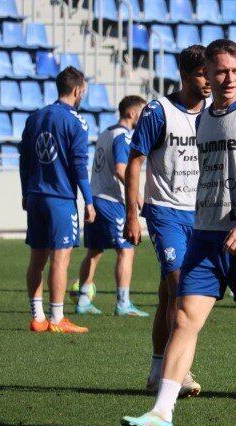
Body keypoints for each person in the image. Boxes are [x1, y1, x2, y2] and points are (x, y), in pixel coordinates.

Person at [121, 39, 236, 426]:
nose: (227, 79)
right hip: (206, 236)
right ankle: (162, 414)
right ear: (208, 75)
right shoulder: (202, 119)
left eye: (234, 71)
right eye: (220, 72)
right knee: (184, 317)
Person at [124, 45, 211, 397]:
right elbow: (134, 163)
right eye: (202, 75)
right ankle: (182, 371)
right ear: (185, 75)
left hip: (203, 215)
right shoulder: (158, 112)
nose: (209, 82)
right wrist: (133, 214)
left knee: (166, 297)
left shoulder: (216, 114)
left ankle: (157, 369)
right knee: (182, 288)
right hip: (164, 212)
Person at [19, 66, 94, 334]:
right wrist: (88, 200)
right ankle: (58, 318)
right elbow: (79, 165)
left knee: (37, 259)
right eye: (83, 90)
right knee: (60, 260)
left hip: (36, 196)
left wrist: (25, 191)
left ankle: (37, 317)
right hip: (61, 199)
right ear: (76, 90)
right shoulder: (77, 122)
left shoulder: (35, 118)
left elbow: (25, 159)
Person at [70, 95, 149, 317]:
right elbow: (120, 168)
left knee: (94, 251)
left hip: (96, 198)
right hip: (112, 201)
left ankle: (84, 299)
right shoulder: (123, 136)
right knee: (126, 250)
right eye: (142, 112)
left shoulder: (106, 132)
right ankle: (123, 303)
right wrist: (138, 197)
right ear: (132, 113)